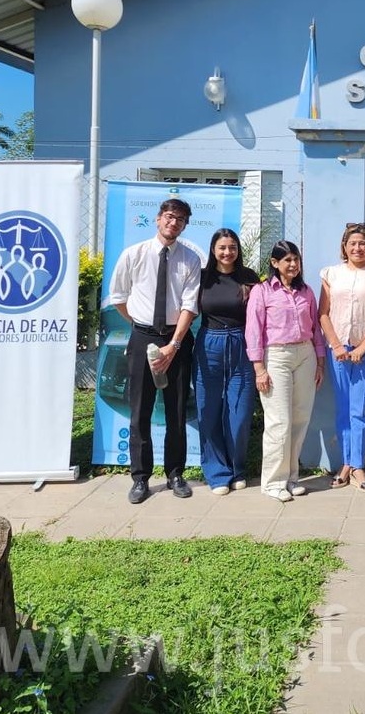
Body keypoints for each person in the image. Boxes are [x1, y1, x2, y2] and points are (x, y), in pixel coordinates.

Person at [109, 198, 201, 505]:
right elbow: (119, 296)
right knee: (141, 409)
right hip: (142, 337)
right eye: (169, 217)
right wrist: (139, 325)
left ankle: (175, 473)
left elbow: (189, 304)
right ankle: (140, 478)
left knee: (176, 409)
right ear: (158, 219)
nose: (173, 223)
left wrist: (173, 344)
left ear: (185, 225)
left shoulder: (190, 259)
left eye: (180, 220)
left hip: (177, 339)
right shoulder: (133, 254)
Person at [246, 240, 325, 503]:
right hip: (276, 356)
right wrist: (259, 368)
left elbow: (315, 328)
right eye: (287, 260)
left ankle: (291, 478)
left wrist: (321, 361)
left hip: (305, 354)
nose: (292, 264)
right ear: (274, 263)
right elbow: (254, 331)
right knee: (279, 421)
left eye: (296, 259)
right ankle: (272, 482)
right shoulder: (262, 291)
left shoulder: (307, 292)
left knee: (300, 418)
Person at [319, 223, 365, 494]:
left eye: (363, 243)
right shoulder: (331, 274)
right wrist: (337, 345)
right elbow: (323, 313)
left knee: (360, 409)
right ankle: (346, 465)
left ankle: (358, 465)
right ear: (345, 247)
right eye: (353, 244)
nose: (358, 248)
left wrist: (363, 345)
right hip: (337, 350)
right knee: (343, 408)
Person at [194, 228, 261, 496]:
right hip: (209, 343)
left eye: (232, 247)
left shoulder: (249, 278)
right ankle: (216, 472)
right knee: (208, 409)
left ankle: (237, 469)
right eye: (222, 247)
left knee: (240, 412)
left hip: (241, 344)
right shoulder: (202, 278)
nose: (227, 252)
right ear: (213, 250)